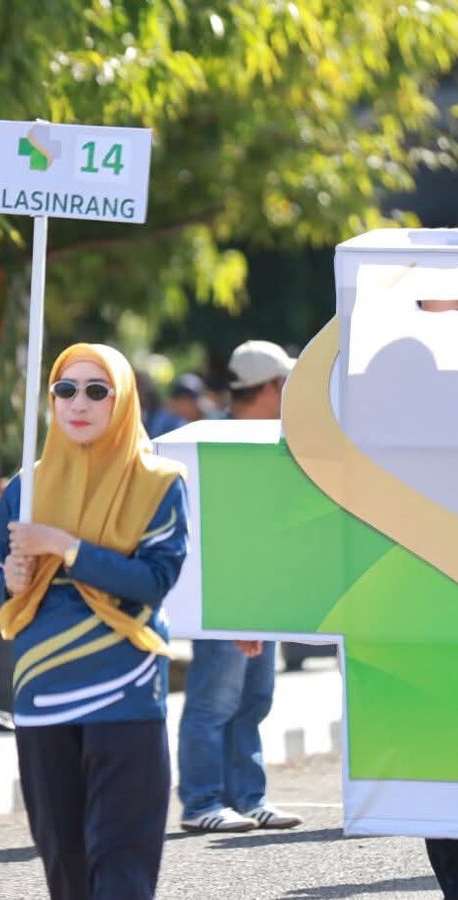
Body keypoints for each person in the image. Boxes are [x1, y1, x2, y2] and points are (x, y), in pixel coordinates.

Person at [0, 342, 188, 900]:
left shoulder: (159, 483)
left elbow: (152, 582)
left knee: (120, 854)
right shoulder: (25, 487)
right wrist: (6, 574)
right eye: (63, 387)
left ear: (122, 398)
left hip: (126, 693)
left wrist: (67, 547)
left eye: (96, 390)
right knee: (64, 857)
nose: (77, 401)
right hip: (39, 696)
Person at [177, 340, 303, 833]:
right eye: (286, 382)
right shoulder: (214, 440)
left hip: (261, 586)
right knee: (214, 700)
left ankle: (248, 797)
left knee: (254, 700)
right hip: (222, 591)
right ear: (271, 387)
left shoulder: (281, 438)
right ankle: (201, 801)